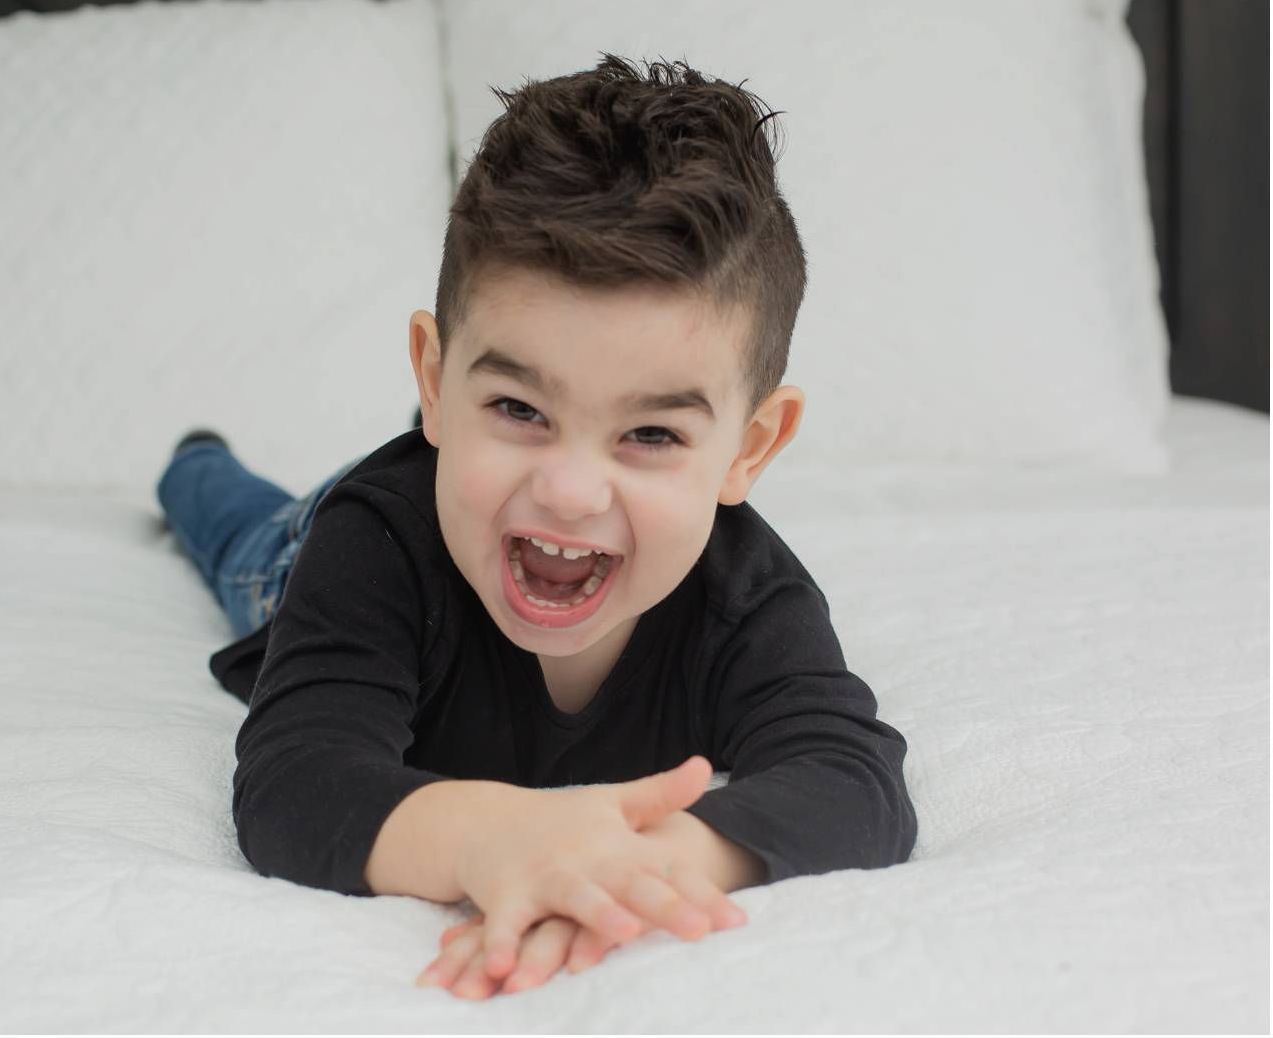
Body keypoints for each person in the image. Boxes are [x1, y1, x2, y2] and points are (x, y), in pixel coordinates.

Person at [156, 53, 917, 1000]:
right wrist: (495, 839)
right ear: (433, 380)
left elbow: (856, 782)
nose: (568, 489)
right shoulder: (377, 543)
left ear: (750, 448)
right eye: (520, 406)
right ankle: (195, 461)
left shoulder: (747, 595)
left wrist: (647, 861)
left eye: (649, 432)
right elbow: (295, 781)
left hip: (471, 499)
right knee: (241, 535)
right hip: (319, 542)